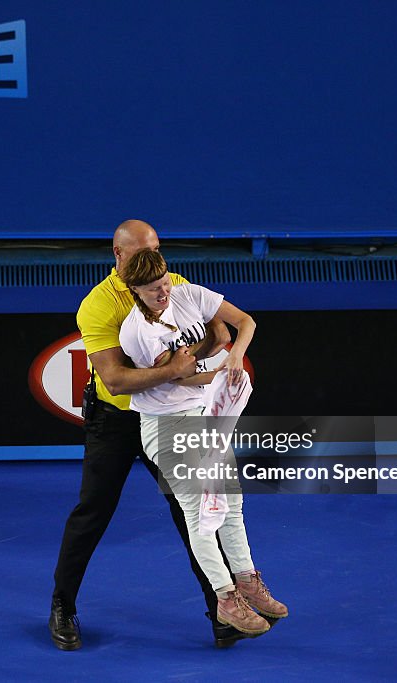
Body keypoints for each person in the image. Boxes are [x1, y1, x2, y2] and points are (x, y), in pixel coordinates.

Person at [50, 219, 239, 651]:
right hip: (116, 421)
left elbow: (221, 333)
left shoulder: (172, 284)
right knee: (93, 511)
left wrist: (190, 361)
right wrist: (173, 370)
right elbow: (115, 380)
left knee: (194, 512)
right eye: (139, 254)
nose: (152, 263)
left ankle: (223, 608)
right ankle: (62, 604)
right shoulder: (98, 305)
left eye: (157, 251)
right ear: (117, 256)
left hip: (171, 418)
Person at [118, 248, 288, 634]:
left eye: (164, 283)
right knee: (199, 511)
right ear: (135, 291)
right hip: (166, 425)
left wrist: (234, 358)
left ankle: (246, 578)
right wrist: (217, 375)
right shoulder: (137, 332)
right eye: (153, 291)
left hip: (202, 413)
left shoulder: (186, 292)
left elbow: (244, 323)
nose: (164, 294)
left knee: (230, 499)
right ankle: (226, 598)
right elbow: (175, 377)